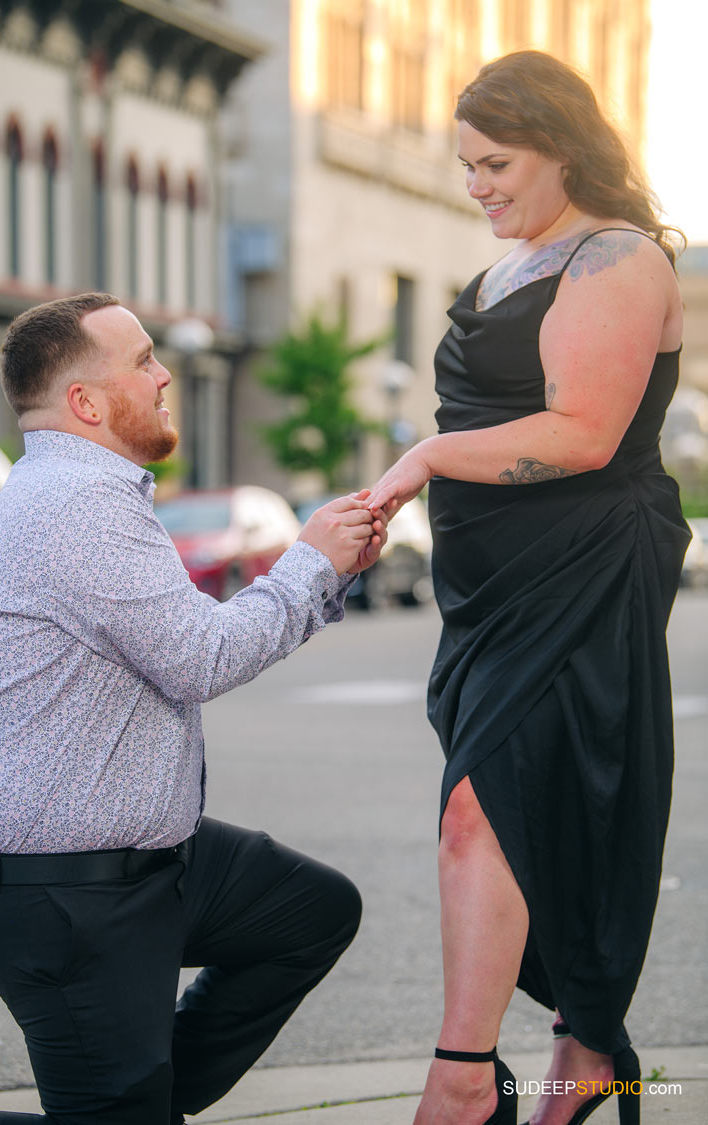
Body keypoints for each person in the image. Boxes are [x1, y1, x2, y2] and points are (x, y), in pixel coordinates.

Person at [0, 292, 391, 1125]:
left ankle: (147, 1104)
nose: (166, 377)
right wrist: (309, 562)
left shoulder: (87, 493)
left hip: (149, 861)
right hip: (64, 894)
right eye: (146, 361)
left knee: (310, 910)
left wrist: (322, 569)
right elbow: (203, 657)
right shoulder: (74, 506)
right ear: (85, 402)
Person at [367, 50, 691, 1125]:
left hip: (580, 574)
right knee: (526, 806)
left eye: (497, 161)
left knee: (491, 806)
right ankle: (586, 1051)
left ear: (564, 146)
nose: (479, 185)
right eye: (467, 166)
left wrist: (421, 460)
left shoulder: (617, 258)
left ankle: (464, 1077)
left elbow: (582, 434)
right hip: (493, 593)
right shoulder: (509, 267)